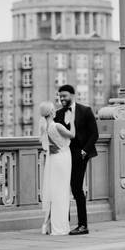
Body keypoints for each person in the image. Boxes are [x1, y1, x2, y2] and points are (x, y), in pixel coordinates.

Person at [55, 84, 98, 235]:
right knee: (62, 189)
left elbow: (94, 134)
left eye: (64, 96)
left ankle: (83, 225)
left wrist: (84, 151)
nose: (62, 99)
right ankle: (63, 223)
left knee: (76, 188)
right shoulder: (58, 114)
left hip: (80, 154)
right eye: (60, 96)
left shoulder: (85, 111)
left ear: (72, 95)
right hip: (64, 155)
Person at [38, 101, 75, 236]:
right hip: (63, 158)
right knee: (62, 192)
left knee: (54, 191)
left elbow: (45, 145)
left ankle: (47, 224)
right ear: (52, 112)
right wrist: (72, 122)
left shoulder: (44, 128)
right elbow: (72, 135)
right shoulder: (57, 126)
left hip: (53, 160)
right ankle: (59, 226)